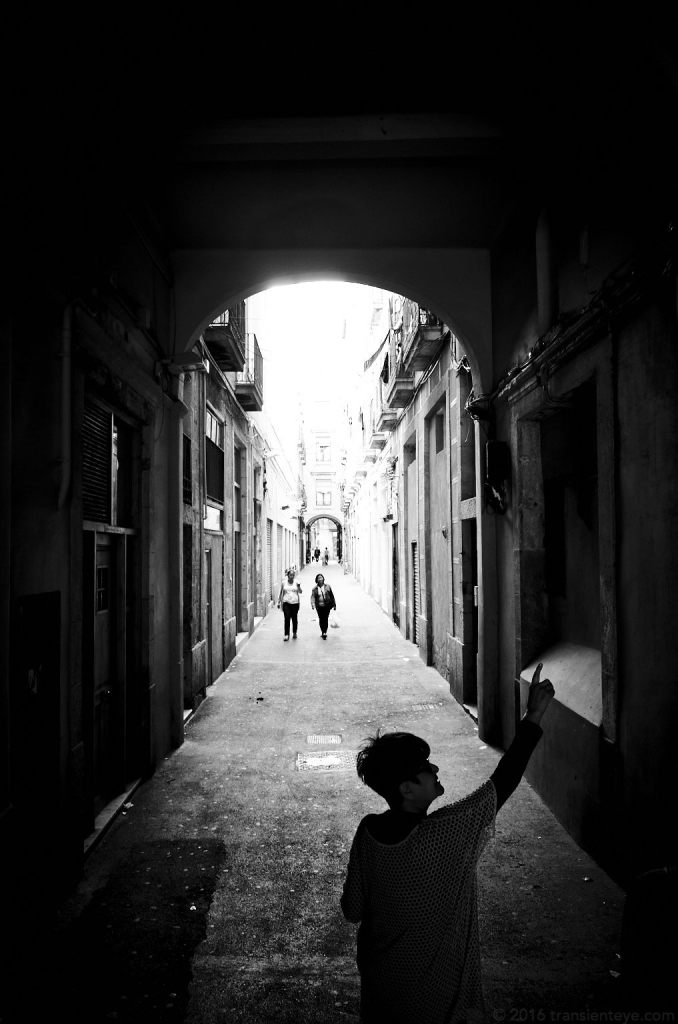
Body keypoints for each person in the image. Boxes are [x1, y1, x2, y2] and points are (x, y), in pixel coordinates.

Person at [340, 664, 555, 1024]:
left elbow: (352, 910)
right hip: (437, 996)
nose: (435, 768)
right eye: (425, 767)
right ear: (407, 789)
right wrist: (533, 715)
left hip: (381, 989)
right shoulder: (445, 833)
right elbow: (501, 783)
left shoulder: (368, 832)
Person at [277, 569, 302, 641]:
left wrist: (299, 587)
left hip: (295, 603)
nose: (292, 576)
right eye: (291, 575)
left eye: (293, 575)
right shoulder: (284, 583)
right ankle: (286, 634)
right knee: (287, 618)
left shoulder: (297, 582)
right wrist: (279, 602)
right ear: (288, 575)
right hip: (286, 603)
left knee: (294, 619)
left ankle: (294, 632)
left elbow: (300, 592)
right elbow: (281, 592)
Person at [310, 572, 336, 639]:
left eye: (321, 577)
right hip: (319, 606)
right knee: (321, 619)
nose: (320, 579)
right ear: (317, 580)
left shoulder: (328, 586)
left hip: (327, 605)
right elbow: (312, 597)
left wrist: (334, 604)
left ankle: (324, 632)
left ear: (323, 579)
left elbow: (332, 596)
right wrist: (312, 604)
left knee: (325, 618)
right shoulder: (314, 589)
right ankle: (323, 631)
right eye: (318, 578)